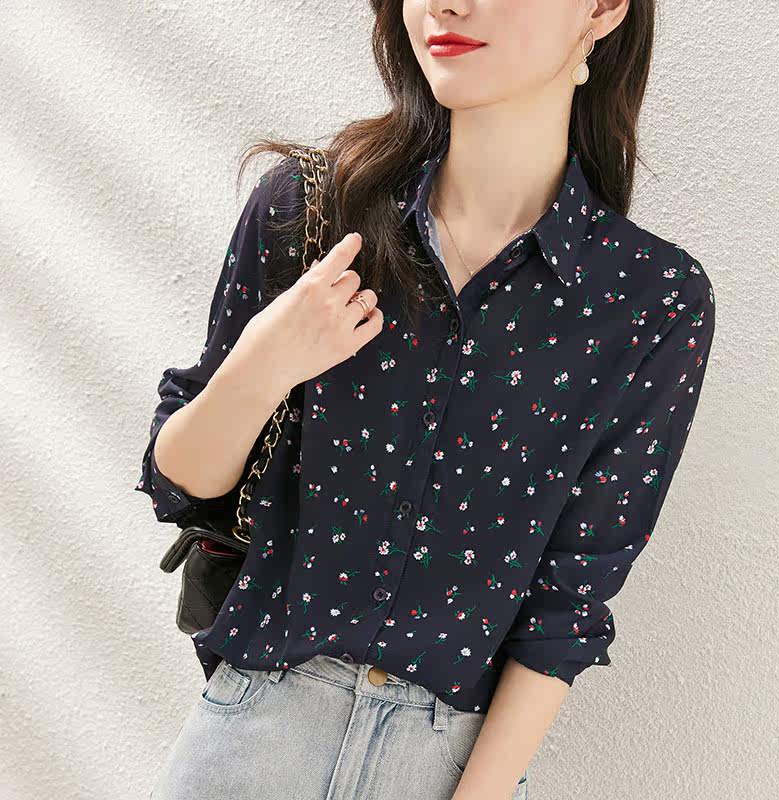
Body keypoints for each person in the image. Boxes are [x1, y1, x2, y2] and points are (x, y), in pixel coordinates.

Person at [136, 2, 716, 799]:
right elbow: (179, 483)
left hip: (446, 763)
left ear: (603, 9)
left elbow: (569, 602)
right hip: (253, 735)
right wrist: (265, 363)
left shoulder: (649, 301)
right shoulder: (311, 211)